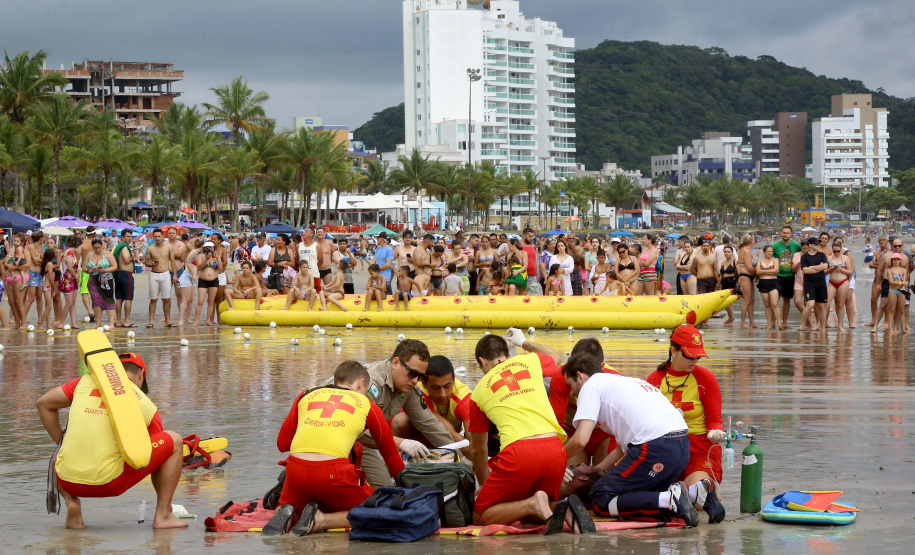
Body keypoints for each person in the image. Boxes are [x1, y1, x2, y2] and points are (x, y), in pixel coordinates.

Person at [562, 352, 717, 527]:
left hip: (656, 446)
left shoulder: (590, 386)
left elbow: (580, 440)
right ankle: (696, 493)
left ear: (580, 376)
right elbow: (622, 448)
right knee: (640, 493)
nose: (571, 391)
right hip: (680, 445)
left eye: (570, 384)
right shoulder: (624, 383)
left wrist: (557, 460)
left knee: (600, 494)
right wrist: (598, 468)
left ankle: (670, 498)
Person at [36, 352, 187, 530]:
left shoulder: (82, 382)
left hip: (66, 480)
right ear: (141, 376)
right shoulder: (145, 403)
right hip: (108, 484)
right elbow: (152, 457)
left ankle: (71, 504)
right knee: (175, 441)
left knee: (63, 451)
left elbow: (43, 403)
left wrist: (62, 443)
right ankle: (163, 515)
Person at [265, 361, 406, 536]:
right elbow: (391, 456)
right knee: (380, 510)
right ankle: (321, 520)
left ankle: (289, 513)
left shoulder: (307, 394)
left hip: (295, 472)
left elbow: (282, 444)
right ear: (360, 384)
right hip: (334, 473)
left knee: (309, 495)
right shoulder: (366, 403)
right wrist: (407, 488)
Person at [468, 329, 590, 531]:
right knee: (530, 514)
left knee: (480, 516)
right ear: (508, 355)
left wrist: (484, 486)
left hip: (519, 453)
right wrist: (524, 343)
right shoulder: (529, 362)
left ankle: (533, 503)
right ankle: (560, 507)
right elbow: (556, 357)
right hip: (555, 449)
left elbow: (478, 450)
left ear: (482, 362)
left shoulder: (478, 392)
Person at [322, 340, 455, 488]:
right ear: (395, 362)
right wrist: (401, 442)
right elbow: (348, 427)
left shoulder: (407, 387)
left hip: (360, 439)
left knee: (384, 489)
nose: (415, 380)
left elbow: (429, 424)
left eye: (420, 376)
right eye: (412, 373)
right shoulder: (369, 384)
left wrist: (458, 458)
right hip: (326, 436)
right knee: (337, 488)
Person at [646, 325, 725, 523]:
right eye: (690, 356)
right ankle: (678, 487)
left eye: (698, 357)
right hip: (666, 448)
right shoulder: (655, 380)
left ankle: (691, 485)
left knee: (699, 503)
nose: (695, 361)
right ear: (673, 350)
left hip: (699, 448)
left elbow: (715, 419)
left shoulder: (706, 378)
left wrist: (716, 431)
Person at [548, 338, 619, 468]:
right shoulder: (561, 377)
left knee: (603, 478)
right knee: (574, 480)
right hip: (571, 433)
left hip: (604, 436)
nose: (579, 376)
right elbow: (555, 425)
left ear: (602, 367)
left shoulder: (614, 378)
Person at [391, 355, 474, 458]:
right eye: (435, 388)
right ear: (424, 383)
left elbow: (474, 435)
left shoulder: (464, 397)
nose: (442, 394)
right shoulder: (417, 391)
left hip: (449, 442)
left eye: (447, 386)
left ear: (454, 380)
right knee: (400, 421)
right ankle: (397, 458)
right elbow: (445, 430)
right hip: (417, 441)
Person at [146, 229, 177, 328]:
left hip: (165, 273)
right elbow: (146, 262)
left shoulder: (169, 247)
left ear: (163, 236)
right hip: (154, 274)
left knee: (166, 298)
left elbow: (172, 261)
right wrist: (151, 264)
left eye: (159, 236)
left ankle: (167, 320)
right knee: (153, 299)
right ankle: (151, 320)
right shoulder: (150, 248)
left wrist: (175, 275)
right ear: (153, 237)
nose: (157, 238)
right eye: (155, 236)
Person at [772, 226, 801, 329]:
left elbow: (804, 253)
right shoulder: (775, 246)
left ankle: (784, 322)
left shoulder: (796, 246)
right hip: (778, 276)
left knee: (787, 300)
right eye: (784, 232)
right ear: (781, 233)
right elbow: (770, 258)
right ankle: (773, 322)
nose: (785, 234)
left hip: (790, 276)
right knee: (775, 300)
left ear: (791, 234)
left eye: (787, 233)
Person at [83, 238, 117, 328]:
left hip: (106, 280)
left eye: (99, 247)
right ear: (92, 247)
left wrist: (105, 270)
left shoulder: (108, 254)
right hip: (93, 280)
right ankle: (98, 323)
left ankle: (111, 323)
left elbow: (114, 266)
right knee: (96, 301)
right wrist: (91, 270)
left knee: (109, 299)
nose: (98, 250)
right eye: (95, 248)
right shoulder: (89, 255)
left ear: (102, 245)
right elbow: (84, 268)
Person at [800, 237, 829, 332]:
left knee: (821, 305)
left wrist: (812, 267)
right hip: (809, 283)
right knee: (810, 303)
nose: (818, 245)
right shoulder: (804, 257)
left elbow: (825, 266)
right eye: (816, 244)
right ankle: (802, 324)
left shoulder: (822, 255)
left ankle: (822, 327)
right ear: (810, 245)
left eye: (818, 244)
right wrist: (819, 267)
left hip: (820, 282)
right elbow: (805, 270)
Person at [193, 241, 223, 326]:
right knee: (200, 301)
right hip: (203, 280)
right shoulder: (200, 256)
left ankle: (208, 320)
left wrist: (218, 259)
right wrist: (206, 259)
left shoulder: (216, 257)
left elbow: (220, 269)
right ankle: (196, 321)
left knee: (211, 301)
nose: (209, 249)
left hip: (214, 280)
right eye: (207, 247)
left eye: (211, 247)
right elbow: (199, 267)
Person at [826, 238, 853, 332]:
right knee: (826, 303)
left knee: (840, 304)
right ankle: (822, 323)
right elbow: (824, 272)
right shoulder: (829, 258)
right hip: (832, 282)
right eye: (834, 251)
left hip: (843, 281)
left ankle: (840, 325)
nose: (836, 253)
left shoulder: (845, 258)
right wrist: (831, 269)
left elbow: (850, 271)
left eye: (838, 251)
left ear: (841, 249)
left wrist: (841, 269)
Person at [112, 230, 136, 328]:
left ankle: (119, 321)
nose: (130, 238)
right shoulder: (124, 246)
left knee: (119, 298)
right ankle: (127, 321)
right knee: (128, 298)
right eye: (127, 236)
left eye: (130, 236)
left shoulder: (117, 247)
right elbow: (126, 260)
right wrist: (133, 256)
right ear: (122, 237)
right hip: (126, 274)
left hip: (118, 275)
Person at [882, 253, 909, 335]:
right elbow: (891, 282)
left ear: (900, 260)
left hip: (901, 291)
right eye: (894, 259)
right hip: (892, 291)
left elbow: (904, 282)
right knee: (892, 309)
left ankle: (903, 328)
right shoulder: (890, 270)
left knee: (902, 310)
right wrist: (901, 283)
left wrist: (901, 284)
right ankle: (890, 328)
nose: (896, 261)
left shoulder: (904, 270)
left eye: (897, 259)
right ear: (892, 260)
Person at [58, 236, 80, 330]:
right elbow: (69, 267)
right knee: (69, 303)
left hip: (72, 278)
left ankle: (73, 322)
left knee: (73, 302)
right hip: (68, 279)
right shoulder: (69, 252)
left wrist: (77, 273)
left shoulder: (71, 253)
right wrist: (75, 275)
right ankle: (61, 322)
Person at [755, 245, 780, 330]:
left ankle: (779, 323)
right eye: (768, 251)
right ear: (764, 252)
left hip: (773, 283)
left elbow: (776, 271)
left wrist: (763, 271)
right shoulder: (760, 260)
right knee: (767, 305)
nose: (770, 253)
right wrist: (769, 271)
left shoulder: (775, 260)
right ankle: (769, 324)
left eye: (771, 251)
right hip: (763, 283)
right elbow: (757, 272)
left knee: (774, 304)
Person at [736, 235, 758, 328]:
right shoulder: (746, 251)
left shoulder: (745, 250)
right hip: (745, 276)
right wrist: (757, 274)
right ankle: (743, 322)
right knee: (747, 300)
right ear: (751, 241)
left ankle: (752, 322)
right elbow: (749, 267)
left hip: (748, 277)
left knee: (751, 300)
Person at [297, 229, 323, 293]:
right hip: (302, 275)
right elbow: (297, 259)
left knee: (316, 292)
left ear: (311, 234)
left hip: (314, 274)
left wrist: (314, 268)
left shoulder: (317, 246)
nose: (304, 233)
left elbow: (321, 261)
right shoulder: (299, 245)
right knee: (302, 292)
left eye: (306, 232)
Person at [718, 245, 737, 325]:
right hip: (724, 283)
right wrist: (718, 284)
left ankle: (731, 318)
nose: (727, 253)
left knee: (727, 302)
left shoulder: (734, 261)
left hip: (731, 282)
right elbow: (721, 275)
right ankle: (731, 319)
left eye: (728, 252)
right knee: (725, 302)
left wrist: (740, 284)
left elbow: (738, 273)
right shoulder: (723, 262)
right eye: (725, 252)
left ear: (732, 253)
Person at [522, 228, 542, 295]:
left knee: (534, 294)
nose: (531, 238)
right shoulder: (519, 246)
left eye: (532, 236)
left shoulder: (532, 247)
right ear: (524, 235)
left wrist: (537, 274)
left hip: (533, 275)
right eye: (529, 236)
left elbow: (534, 261)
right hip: (524, 275)